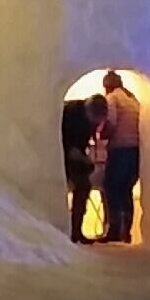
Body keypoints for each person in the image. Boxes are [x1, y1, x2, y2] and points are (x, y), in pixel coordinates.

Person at [61, 94, 109, 244]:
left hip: (76, 155)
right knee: (81, 186)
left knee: (83, 187)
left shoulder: (86, 117)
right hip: (64, 153)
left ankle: (76, 231)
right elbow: (68, 141)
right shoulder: (72, 113)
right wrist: (78, 155)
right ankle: (71, 230)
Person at [101, 71, 142, 244]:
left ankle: (114, 229)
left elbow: (111, 122)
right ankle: (127, 231)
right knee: (126, 190)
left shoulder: (112, 99)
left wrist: (103, 136)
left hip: (119, 149)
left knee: (111, 187)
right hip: (135, 150)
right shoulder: (133, 100)